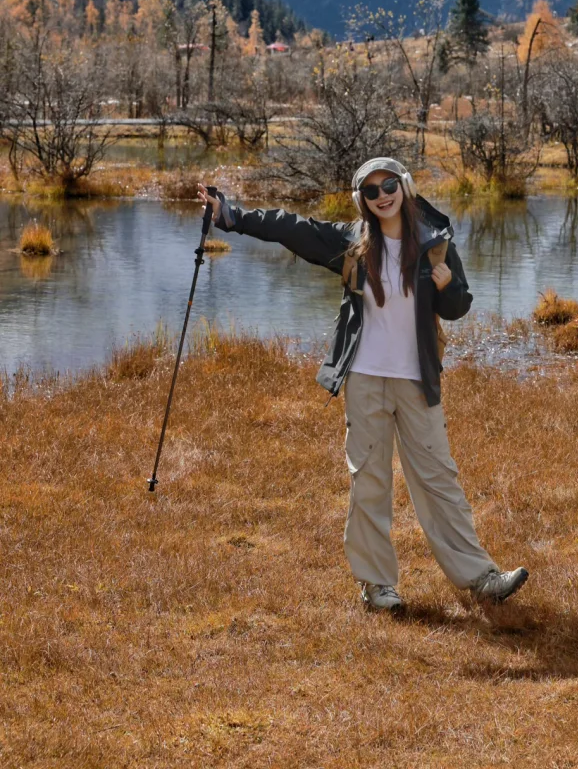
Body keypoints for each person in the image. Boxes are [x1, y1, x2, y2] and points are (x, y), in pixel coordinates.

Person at [197, 158, 527, 614]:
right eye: (371, 192)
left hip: (417, 381)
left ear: (404, 187)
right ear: (362, 201)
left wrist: (448, 288)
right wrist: (231, 217)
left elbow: (458, 307)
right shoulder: (352, 243)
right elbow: (291, 228)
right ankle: (377, 586)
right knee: (369, 482)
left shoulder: (435, 243)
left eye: (389, 185)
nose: (382, 196)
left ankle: (481, 578)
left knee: (439, 479)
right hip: (366, 379)